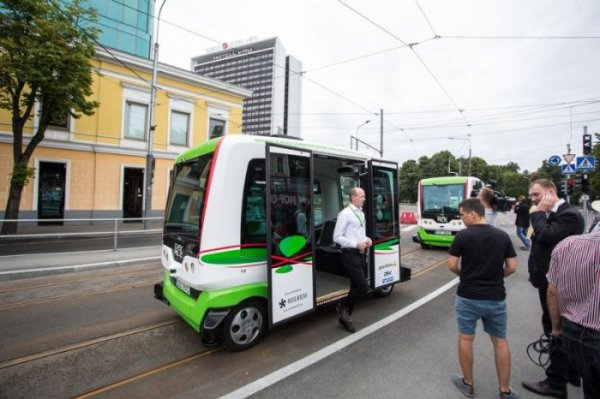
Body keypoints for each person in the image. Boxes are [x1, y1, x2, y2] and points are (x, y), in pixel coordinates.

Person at [448, 198, 519, 399]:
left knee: (465, 338)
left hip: (468, 296)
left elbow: (452, 265)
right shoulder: (502, 236)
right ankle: (504, 391)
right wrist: (496, 278)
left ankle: (468, 384)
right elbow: (512, 267)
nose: (461, 219)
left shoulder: (463, 236)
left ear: (472, 213)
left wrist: (464, 275)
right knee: (500, 342)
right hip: (495, 297)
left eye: (462, 215)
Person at [522, 179, 584, 399]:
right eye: (531, 196)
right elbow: (539, 243)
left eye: (536, 194)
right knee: (563, 325)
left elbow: (546, 237)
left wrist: (538, 212)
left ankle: (556, 381)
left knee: (555, 326)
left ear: (551, 192)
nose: (533, 200)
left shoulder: (569, 215)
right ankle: (571, 372)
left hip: (557, 284)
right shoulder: (553, 215)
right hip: (547, 280)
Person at [547, 230, 600, 399]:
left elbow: (552, 291)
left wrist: (556, 329)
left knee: (591, 387)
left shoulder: (568, 244)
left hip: (573, 332)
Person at [333, 187, 372, 333]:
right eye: (362, 196)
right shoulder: (345, 214)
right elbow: (336, 237)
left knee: (354, 288)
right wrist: (355, 244)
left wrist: (366, 239)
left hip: (360, 254)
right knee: (363, 287)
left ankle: (345, 318)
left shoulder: (360, 213)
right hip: (350, 255)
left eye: (364, 196)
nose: (364, 198)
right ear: (353, 197)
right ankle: (342, 306)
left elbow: (359, 233)